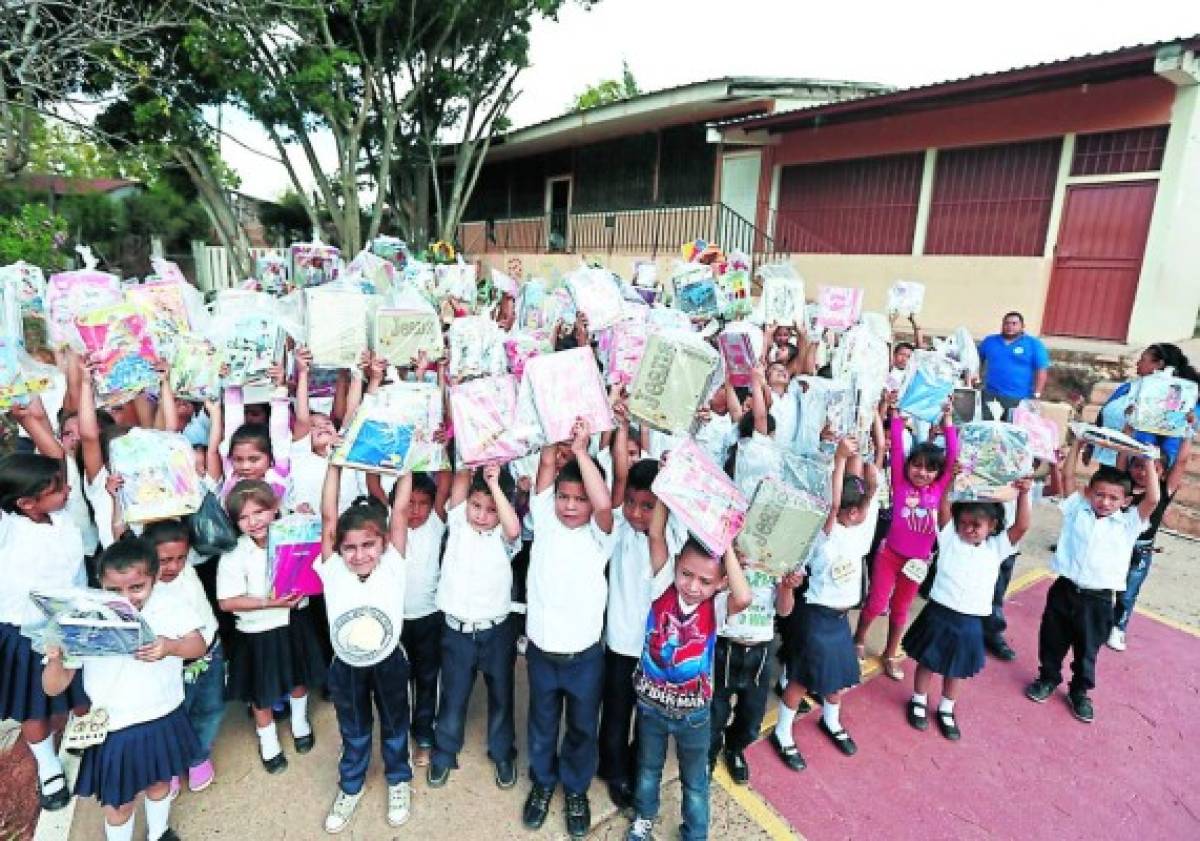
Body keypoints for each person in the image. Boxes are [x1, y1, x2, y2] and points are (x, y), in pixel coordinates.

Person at [44, 539, 207, 841]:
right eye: (114, 590)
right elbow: (54, 687)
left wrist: (169, 646)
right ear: (100, 583)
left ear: (155, 578)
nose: (126, 599)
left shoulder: (170, 603)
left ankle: (158, 832)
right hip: (114, 725)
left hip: (162, 713)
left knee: (159, 783)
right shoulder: (84, 615)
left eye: (136, 588)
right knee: (119, 802)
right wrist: (55, 659)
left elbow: (198, 645)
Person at [625, 504, 753, 841]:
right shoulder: (662, 582)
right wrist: (667, 494)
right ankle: (643, 819)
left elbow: (743, 596)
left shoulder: (717, 607)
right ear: (676, 567)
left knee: (695, 782)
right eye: (687, 574)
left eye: (705, 580)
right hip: (651, 707)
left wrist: (725, 548)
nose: (693, 586)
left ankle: (695, 834)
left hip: (693, 715)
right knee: (648, 770)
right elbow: (656, 533)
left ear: (719, 582)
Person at [523, 418, 615, 836]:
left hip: (584, 656)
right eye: (564, 496)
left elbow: (602, 504)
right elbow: (545, 467)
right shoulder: (543, 519)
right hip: (543, 651)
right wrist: (555, 434)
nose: (571, 506)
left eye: (579, 498)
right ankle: (543, 782)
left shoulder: (601, 535)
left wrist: (581, 451)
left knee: (581, 726)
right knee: (542, 722)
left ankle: (575, 787)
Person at [1025, 440, 1160, 723]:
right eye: (1099, 495)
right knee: (1052, 638)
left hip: (1097, 599)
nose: (1105, 502)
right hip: (1064, 589)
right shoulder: (1077, 509)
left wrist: (1148, 459)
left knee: (1088, 648)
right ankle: (1048, 678)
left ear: (1125, 501)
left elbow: (1153, 500)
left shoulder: (1128, 524)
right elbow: (1070, 476)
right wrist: (1078, 444)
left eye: (1113, 498)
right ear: (1089, 494)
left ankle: (1079, 691)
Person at [317, 463, 415, 833]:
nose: (358, 555)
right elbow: (329, 514)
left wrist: (405, 465)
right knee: (354, 730)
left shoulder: (393, 566)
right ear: (338, 548)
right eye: (350, 547)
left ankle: (398, 779)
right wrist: (335, 465)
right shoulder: (333, 570)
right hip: (346, 667)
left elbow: (401, 509)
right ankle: (351, 785)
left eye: (368, 545)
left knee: (394, 726)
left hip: (389, 663)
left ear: (384, 543)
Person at [772, 440, 877, 770]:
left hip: (839, 620)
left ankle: (831, 720)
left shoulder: (858, 533)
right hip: (817, 619)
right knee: (801, 679)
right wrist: (839, 460)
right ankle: (783, 731)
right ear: (850, 512)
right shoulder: (826, 533)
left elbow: (869, 493)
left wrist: (870, 472)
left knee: (838, 677)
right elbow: (832, 507)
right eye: (860, 508)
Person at [905, 480, 1032, 740]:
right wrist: (953, 479)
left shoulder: (996, 548)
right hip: (939, 612)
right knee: (927, 661)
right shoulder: (950, 537)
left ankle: (947, 708)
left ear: (992, 527)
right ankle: (918, 700)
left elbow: (1022, 526)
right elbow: (944, 507)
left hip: (970, 620)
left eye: (977, 525)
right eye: (964, 523)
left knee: (957, 668)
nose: (969, 529)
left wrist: (1024, 493)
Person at [598, 412, 679, 810]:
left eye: (647, 506)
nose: (635, 512)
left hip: (654, 651)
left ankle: (630, 766)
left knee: (646, 720)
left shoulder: (670, 537)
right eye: (631, 502)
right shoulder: (620, 530)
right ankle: (612, 771)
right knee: (615, 713)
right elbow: (619, 473)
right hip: (619, 644)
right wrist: (621, 425)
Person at [217, 479, 326, 773]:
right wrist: (271, 602)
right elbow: (227, 602)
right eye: (243, 517)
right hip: (257, 631)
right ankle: (268, 741)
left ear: (274, 509)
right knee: (261, 690)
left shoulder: (293, 535)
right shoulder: (234, 553)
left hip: (294, 621)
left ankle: (300, 723)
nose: (253, 522)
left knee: (298, 677)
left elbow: (315, 566)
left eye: (259, 512)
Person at [0, 446, 87, 811]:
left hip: (72, 620)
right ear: (26, 503)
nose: (66, 491)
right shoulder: (9, 530)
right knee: (34, 707)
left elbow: (55, 452)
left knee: (82, 691)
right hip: (26, 632)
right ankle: (48, 767)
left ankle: (90, 738)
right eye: (56, 489)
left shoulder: (61, 518)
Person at [426, 464, 522, 788]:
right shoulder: (457, 524)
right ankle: (444, 750)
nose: (481, 515)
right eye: (476, 506)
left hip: (496, 630)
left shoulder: (504, 538)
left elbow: (511, 528)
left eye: (491, 509)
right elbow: (462, 478)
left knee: (501, 694)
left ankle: (502, 751)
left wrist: (495, 485)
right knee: (453, 694)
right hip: (457, 630)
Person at [854, 401, 958, 680]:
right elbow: (898, 448)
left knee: (901, 610)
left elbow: (953, 455)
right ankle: (859, 638)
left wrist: (948, 419)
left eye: (929, 469)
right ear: (908, 466)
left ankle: (890, 653)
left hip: (917, 563)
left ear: (938, 473)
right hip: (889, 556)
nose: (922, 472)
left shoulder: (939, 488)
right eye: (917, 466)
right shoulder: (900, 482)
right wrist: (896, 415)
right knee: (876, 604)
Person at [143, 519, 224, 794]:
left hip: (210, 651)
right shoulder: (143, 586)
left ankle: (198, 755)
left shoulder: (186, 570)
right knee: (174, 716)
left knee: (209, 708)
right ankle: (172, 765)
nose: (174, 566)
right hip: (172, 663)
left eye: (180, 558)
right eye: (164, 560)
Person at [1108, 438, 1190, 651]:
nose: (1143, 472)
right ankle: (1100, 621)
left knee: (1127, 594)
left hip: (1140, 551)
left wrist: (1189, 433)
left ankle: (1118, 628)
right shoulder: (1122, 486)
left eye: (1152, 468)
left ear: (1162, 472)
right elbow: (1122, 454)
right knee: (1104, 586)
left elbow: (1180, 462)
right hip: (1114, 546)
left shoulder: (1163, 490)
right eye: (1138, 466)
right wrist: (1128, 428)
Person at [977, 312, 1050, 419]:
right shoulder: (990, 341)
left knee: (1012, 431)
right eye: (1006, 323)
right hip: (990, 396)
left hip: (1018, 399)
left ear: (1023, 326)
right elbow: (977, 360)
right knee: (988, 429)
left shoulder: (1034, 344)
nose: (1009, 326)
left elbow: (1042, 370)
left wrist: (1037, 395)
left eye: (1014, 323)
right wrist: (976, 379)